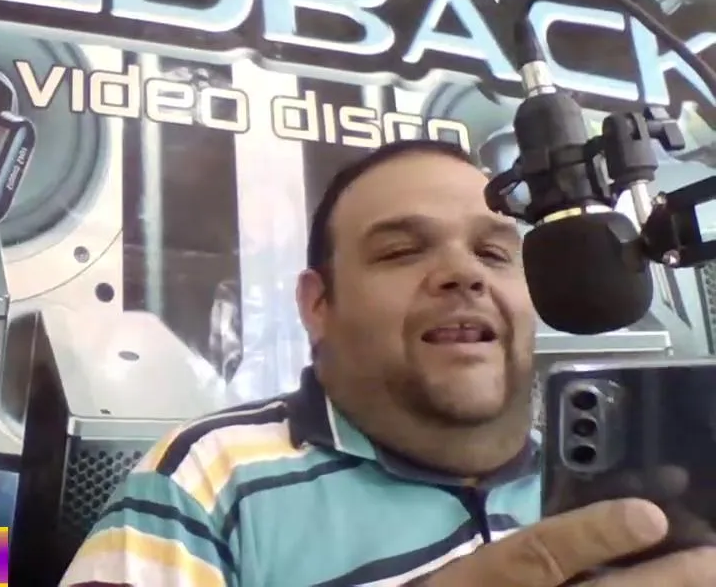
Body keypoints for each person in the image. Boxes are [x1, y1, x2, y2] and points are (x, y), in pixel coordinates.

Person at [59, 139, 716, 586]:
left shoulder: (623, 489)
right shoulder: (206, 478)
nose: (464, 274)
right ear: (318, 304)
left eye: (494, 254)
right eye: (402, 251)